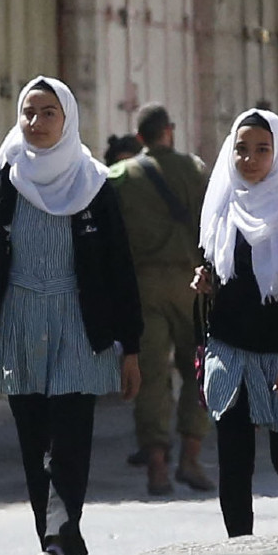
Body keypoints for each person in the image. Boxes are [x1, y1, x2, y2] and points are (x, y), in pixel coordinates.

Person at [0, 75, 143, 555]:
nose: (36, 123)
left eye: (48, 113)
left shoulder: (94, 184)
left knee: (69, 436)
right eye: (29, 113)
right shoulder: (5, 181)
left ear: (68, 120)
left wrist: (132, 347)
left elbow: (119, 268)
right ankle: (57, 536)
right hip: (20, 322)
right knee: (33, 437)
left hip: (80, 326)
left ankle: (61, 531)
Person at [196, 109, 278, 537]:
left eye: (262, 150)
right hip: (230, 352)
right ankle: (239, 548)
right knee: (234, 460)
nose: (250, 159)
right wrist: (204, 283)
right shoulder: (221, 204)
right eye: (241, 149)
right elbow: (213, 266)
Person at [108, 103, 214, 495]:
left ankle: (156, 465)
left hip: (143, 288)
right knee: (198, 370)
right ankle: (191, 455)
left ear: (139, 138)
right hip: (192, 286)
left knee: (150, 375)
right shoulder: (196, 169)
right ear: (169, 130)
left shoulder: (120, 176)